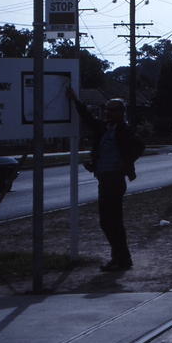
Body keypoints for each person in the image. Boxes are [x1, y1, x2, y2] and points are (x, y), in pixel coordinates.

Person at [67, 88, 145, 272]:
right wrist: (76, 101)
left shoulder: (124, 130)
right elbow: (88, 119)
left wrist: (124, 161)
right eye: (107, 109)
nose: (108, 112)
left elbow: (139, 146)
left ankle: (121, 259)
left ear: (121, 112)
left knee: (113, 221)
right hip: (104, 179)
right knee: (107, 221)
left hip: (114, 180)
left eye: (112, 109)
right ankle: (121, 257)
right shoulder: (104, 128)